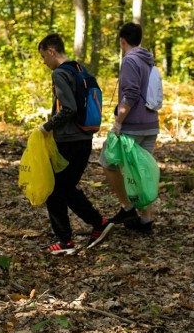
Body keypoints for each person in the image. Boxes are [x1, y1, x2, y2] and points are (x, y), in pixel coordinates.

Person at [36, 33, 113, 255]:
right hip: (84, 139)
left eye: (43, 57)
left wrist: (47, 127)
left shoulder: (60, 74)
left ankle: (65, 241)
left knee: (54, 189)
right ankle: (98, 223)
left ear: (51, 52)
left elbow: (69, 108)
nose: (44, 62)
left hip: (68, 141)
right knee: (66, 188)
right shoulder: (80, 69)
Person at [99, 22, 159, 235]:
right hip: (151, 124)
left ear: (122, 40)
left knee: (107, 161)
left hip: (133, 126)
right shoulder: (148, 61)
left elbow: (131, 94)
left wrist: (118, 122)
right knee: (141, 171)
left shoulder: (130, 61)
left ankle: (128, 207)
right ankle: (145, 221)